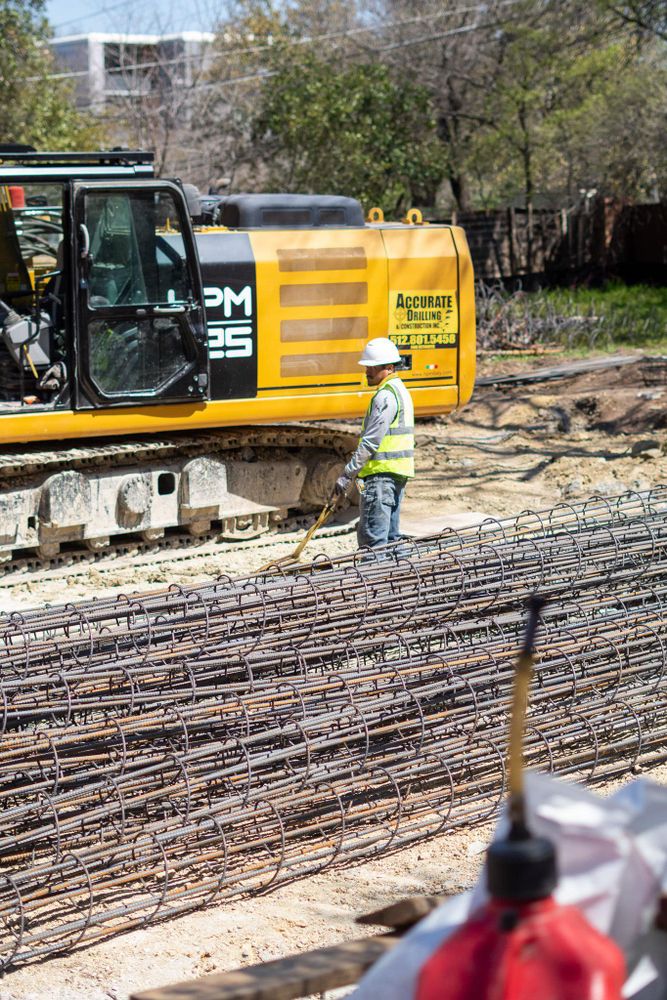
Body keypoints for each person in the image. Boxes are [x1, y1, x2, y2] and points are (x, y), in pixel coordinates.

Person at [335, 337, 415, 548]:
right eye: (366, 366)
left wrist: (347, 475)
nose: (367, 371)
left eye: (372, 367)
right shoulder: (401, 391)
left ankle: (373, 577)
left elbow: (370, 442)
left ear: (388, 368)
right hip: (396, 475)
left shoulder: (385, 396)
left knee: (374, 542)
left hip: (380, 478)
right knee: (390, 541)